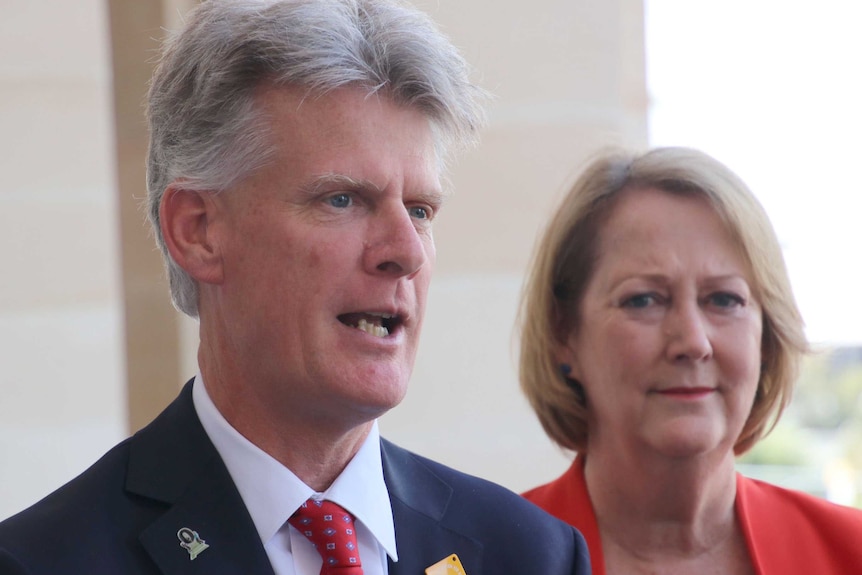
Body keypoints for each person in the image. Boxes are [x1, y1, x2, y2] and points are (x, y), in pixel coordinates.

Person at [0, 1, 591, 574]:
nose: (405, 252)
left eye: (419, 209)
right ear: (199, 231)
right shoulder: (45, 560)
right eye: (343, 199)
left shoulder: (531, 554)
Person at [518, 146, 862, 574]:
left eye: (724, 299)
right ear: (563, 335)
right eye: (643, 299)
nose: (693, 342)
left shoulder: (851, 552)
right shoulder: (491, 556)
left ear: (767, 338)